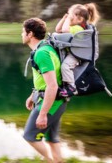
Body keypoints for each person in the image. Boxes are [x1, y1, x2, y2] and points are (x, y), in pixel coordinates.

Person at [21, 18, 66, 163]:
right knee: (52, 139)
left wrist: (42, 113)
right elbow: (43, 81)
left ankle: (49, 161)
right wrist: (32, 95)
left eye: (23, 32)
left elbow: (52, 85)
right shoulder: (45, 48)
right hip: (58, 101)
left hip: (53, 103)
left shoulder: (42, 53)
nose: (21, 34)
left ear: (30, 34)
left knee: (30, 136)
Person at [54, 3, 100, 97]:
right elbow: (58, 29)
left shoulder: (78, 28)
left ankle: (72, 88)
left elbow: (65, 30)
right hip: (74, 52)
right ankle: (66, 86)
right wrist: (64, 18)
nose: (69, 17)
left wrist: (68, 19)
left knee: (65, 66)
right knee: (63, 66)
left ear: (80, 19)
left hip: (77, 54)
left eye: (71, 16)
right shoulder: (74, 27)